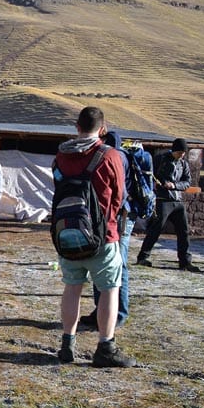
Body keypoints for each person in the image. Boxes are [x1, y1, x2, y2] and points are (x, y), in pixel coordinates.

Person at [54, 106, 135, 367]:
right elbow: (120, 195)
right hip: (104, 235)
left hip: (67, 232)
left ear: (77, 127)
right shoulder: (109, 155)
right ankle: (105, 347)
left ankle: (67, 344)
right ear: (102, 129)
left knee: (72, 288)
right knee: (110, 290)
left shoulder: (61, 156)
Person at [79, 131, 132, 330]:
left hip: (116, 218)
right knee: (104, 267)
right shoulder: (116, 156)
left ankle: (117, 313)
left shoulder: (114, 157)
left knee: (118, 267)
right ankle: (103, 311)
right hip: (110, 218)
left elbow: (119, 194)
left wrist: (108, 217)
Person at [136, 138, 200, 272]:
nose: (182, 155)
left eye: (184, 152)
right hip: (162, 199)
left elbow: (187, 182)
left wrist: (174, 185)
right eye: (180, 152)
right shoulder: (160, 159)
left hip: (177, 200)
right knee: (156, 229)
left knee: (184, 231)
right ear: (174, 150)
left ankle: (185, 262)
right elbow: (150, 174)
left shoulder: (184, 164)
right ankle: (143, 256)